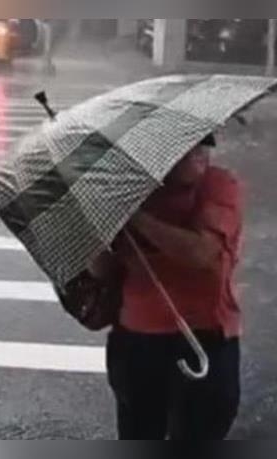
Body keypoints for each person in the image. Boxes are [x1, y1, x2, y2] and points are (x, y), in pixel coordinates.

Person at [104, 133, 244, 440]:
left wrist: (136, 219)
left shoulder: (217, 185)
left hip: (204, 335)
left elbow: (201, 253)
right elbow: (101, 270)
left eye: (204, 145)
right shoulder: (127, 193)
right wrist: (102, 230)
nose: (201, 153)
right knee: (139, 431)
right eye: (188, 148)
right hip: (137, 339)